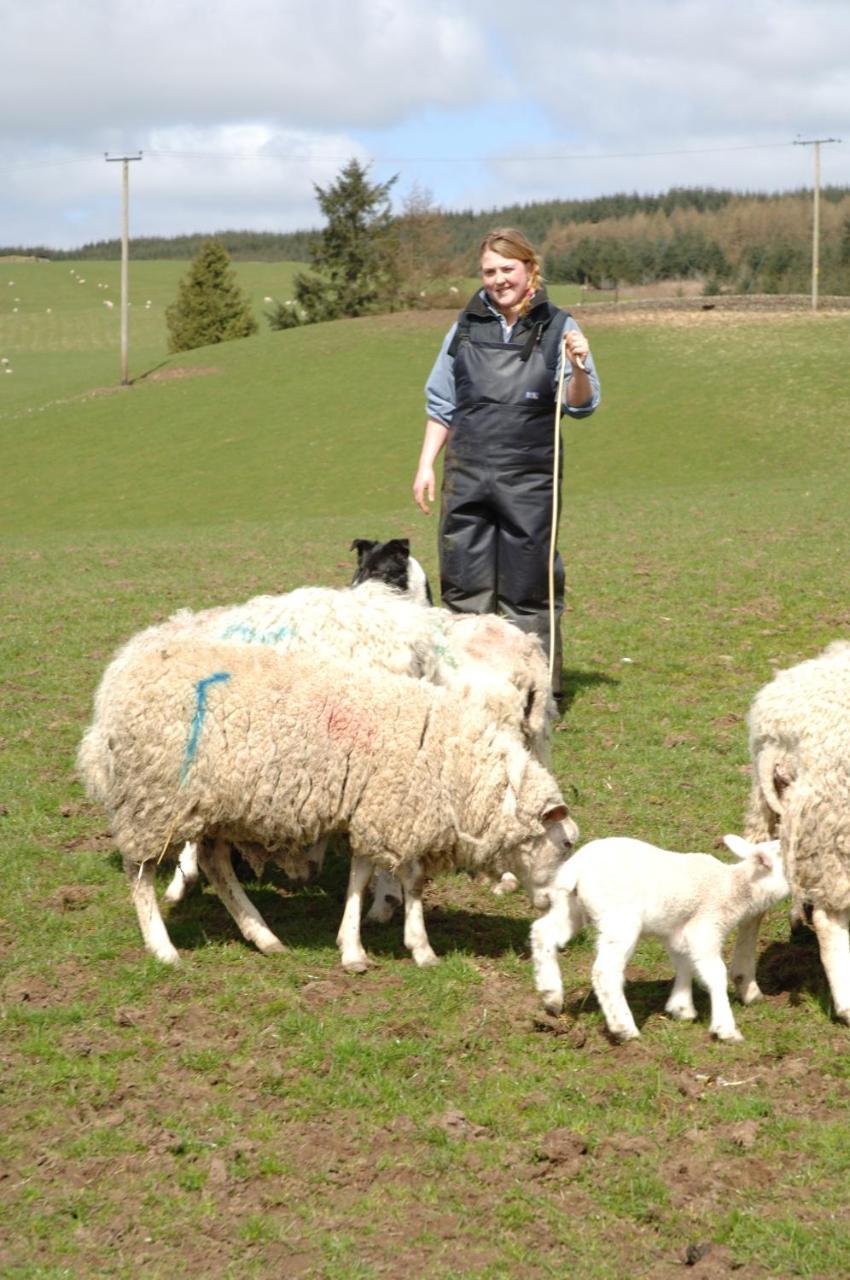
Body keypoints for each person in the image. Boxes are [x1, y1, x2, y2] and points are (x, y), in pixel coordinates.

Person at [413, 227, 601, 700]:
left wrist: (578, 366)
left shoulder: (561, 327)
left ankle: (535, 694)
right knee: (463, 587)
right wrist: (425, 465)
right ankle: (464, 689)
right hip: (467, 476)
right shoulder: (464, 328)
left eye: (507, 269)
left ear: (529, 269)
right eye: (489, 271)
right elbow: (442, 403)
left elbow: (581, 404)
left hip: (531, 481)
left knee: (528, 589)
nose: (498, 280)